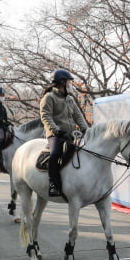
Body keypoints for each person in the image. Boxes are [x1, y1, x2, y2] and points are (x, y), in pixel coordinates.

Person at [40, 69, 89, 197]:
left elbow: (78, 115)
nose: (71, 84)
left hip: (71, 134)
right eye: (69, 82)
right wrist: (57, 131)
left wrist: (86, 129)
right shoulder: (49, 97)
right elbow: (45, 116)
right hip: (55, 134)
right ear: (62, 82)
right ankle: (53, 184)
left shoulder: (69, 98)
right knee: (55, 153)